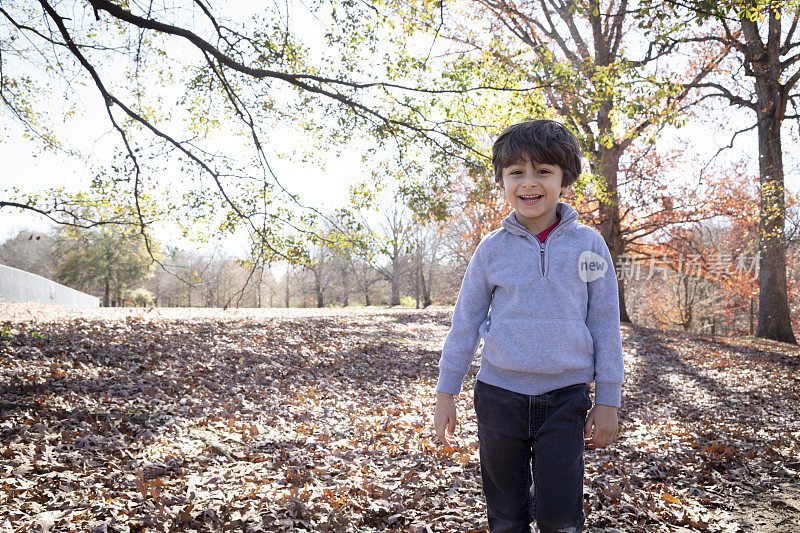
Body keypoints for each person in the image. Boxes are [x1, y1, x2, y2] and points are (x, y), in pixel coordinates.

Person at [433, 118, 624, 533]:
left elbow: (605, 323)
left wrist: (608, 398)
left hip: (566, 398)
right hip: (499, 397)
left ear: (564, 177)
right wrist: (446, 391)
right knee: (506, 517)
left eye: (543, 171)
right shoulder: (491, 250)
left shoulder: (589, 245)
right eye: (516, 172)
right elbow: (464, 323)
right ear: (502, 180)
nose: (529, 182)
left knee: (560, 519)